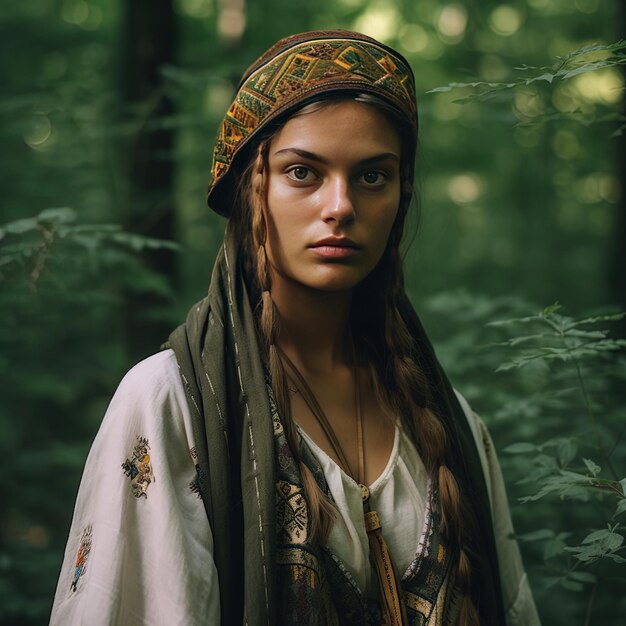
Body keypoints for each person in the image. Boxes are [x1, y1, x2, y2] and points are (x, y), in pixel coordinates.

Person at [50, 30, 540, 625]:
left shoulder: (453, 425)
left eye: (373, 176)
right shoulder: (169, 405)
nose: (340, 206)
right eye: (303, 172)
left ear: (400, 195)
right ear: (252, 190)